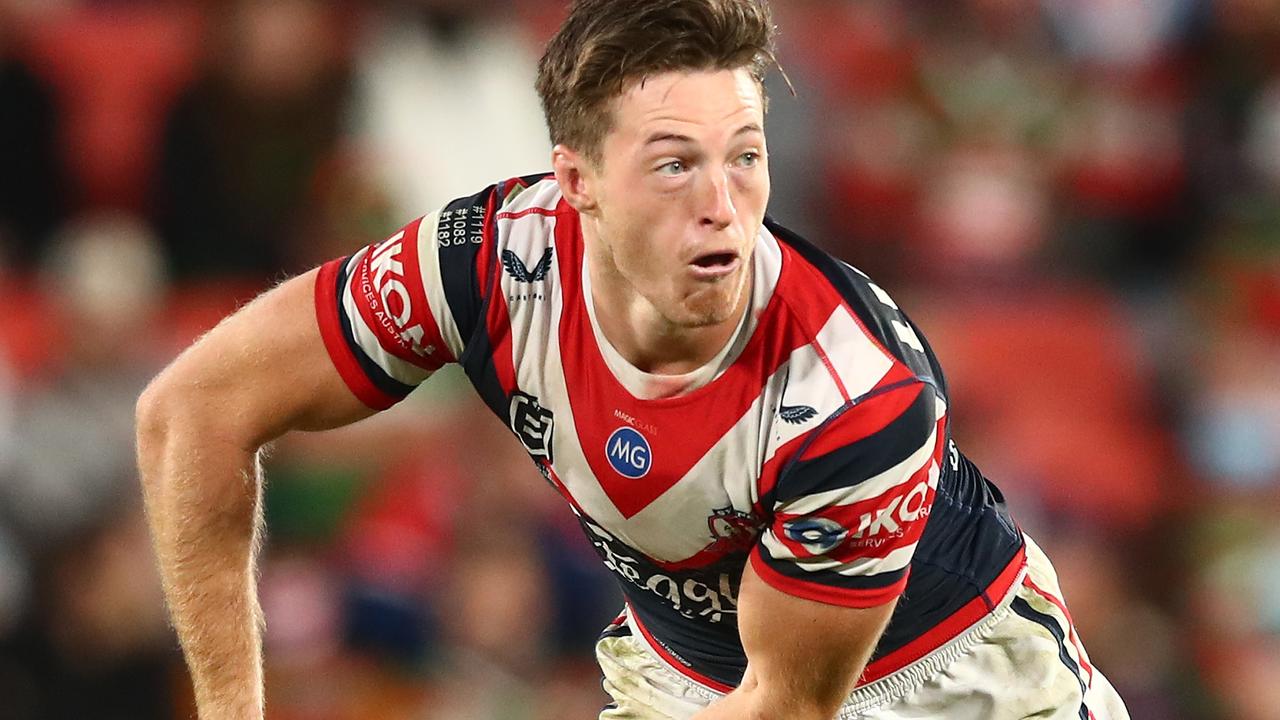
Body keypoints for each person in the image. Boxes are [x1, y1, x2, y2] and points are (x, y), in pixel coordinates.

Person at [135, 1, 1132, 718]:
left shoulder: (849, 395)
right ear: (576, 182)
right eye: (672, 163)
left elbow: (786, 704)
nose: (722, 205)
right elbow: (192, 413)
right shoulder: (480, 263)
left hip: (952, 683)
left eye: (744, 153)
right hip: (682, 672)